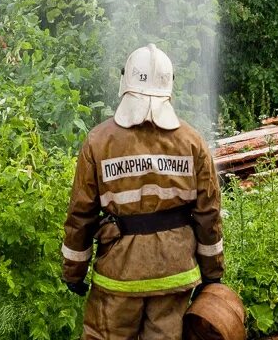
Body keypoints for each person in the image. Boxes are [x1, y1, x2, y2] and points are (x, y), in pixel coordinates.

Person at [61, 43, 225, 340]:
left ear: (125, 81)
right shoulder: (192, 142)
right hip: (175, 273)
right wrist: (212, 273)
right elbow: (208, 213)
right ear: (169, 85)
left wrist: (74, 271)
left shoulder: (99, 141)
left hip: (119, 275)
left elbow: (81, 213)